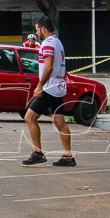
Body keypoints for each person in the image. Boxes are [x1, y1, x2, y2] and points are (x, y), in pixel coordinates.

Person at [22, 16, 75, 167]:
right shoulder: (57, 42)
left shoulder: (46, 44)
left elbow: (49, 66)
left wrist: (40, 85)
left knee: (29, 118)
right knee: (59, 121)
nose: (37, 33)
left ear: (44, 29)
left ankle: (37, 153)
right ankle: (68, 155)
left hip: (50, 87)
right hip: (59, 86)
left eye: (38, 30)